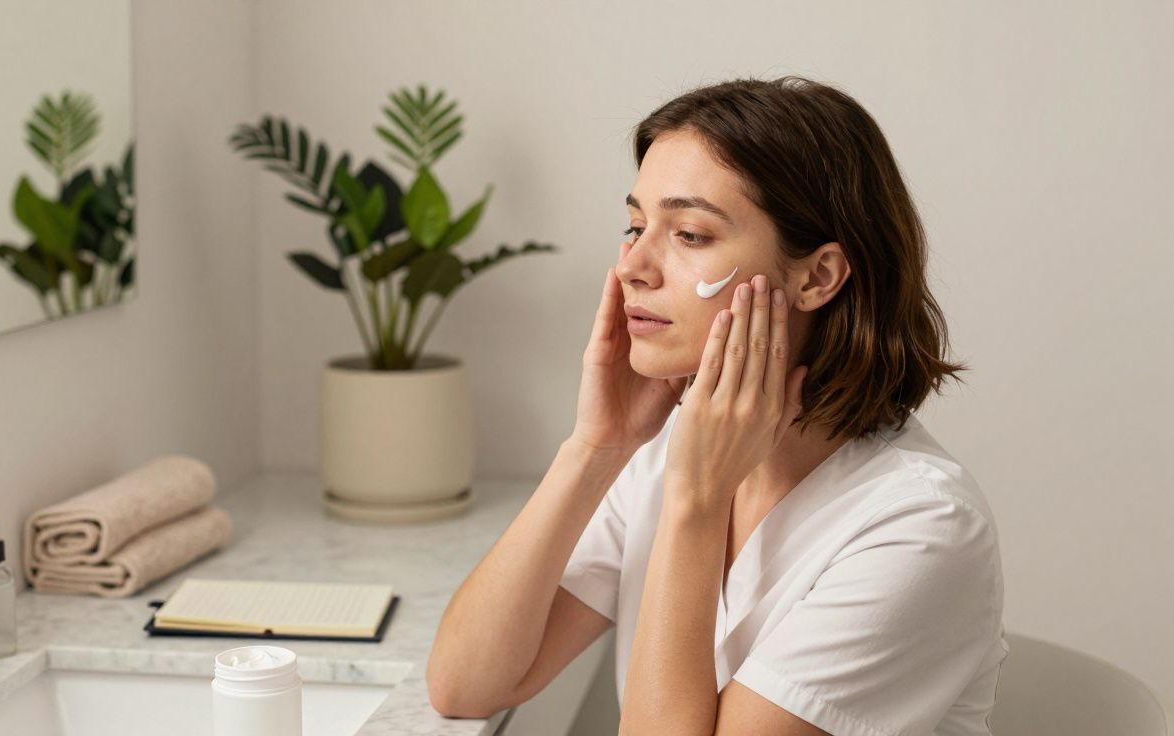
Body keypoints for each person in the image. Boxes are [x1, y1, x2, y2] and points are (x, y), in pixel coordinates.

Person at [426, 76, 1007, 736]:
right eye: (635, 225)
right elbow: (464, 686)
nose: (633, 267)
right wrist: (597, 446)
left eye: (691, 235)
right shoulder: (657, 456)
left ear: (817, 277)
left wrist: (697, 503)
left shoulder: (920, 526)